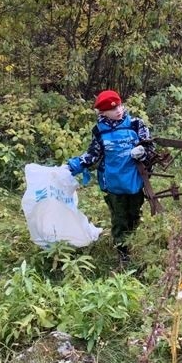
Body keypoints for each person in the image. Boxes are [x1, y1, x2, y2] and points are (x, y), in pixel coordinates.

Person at [67, 89, 154, 262]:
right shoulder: (100, 131)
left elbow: (150, 148)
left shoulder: (135, 124)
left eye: (119, 106)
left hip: (135, 181)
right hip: (113, 184)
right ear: (103, 112)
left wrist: (143, 152)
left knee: (134, 214)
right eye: (112, 109)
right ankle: (122, 253)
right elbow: (93, 155)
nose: (118, 110)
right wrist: (72, 167)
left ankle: (132, 240)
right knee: (119, 219)